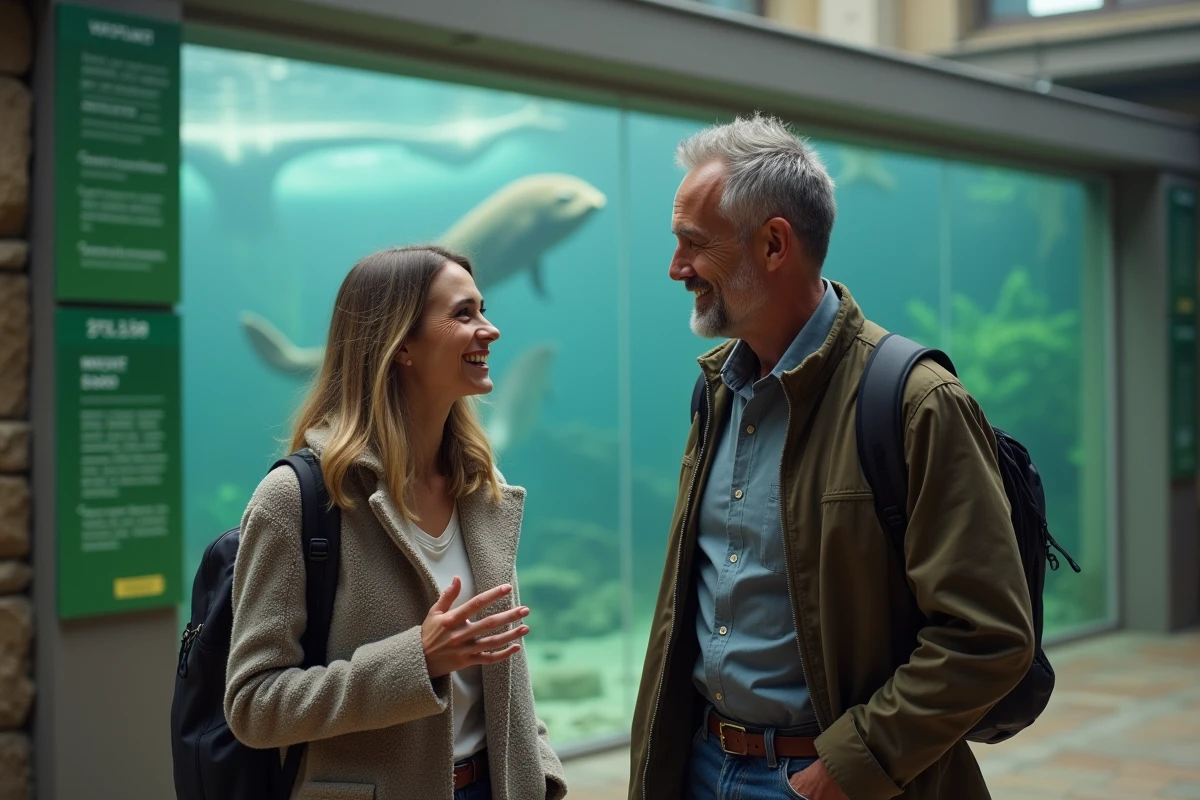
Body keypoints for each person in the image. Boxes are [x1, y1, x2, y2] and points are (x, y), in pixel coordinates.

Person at [629, 114, 1035, 800]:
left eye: (692, 244)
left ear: (774, 243)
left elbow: (988, 635)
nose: (676, 269)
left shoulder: (915, 402)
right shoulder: (715, 393)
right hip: (700, 766)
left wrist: (849, 767)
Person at [224, 245, 567, 800]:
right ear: (400, 343)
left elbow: (504, 674)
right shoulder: (295, 498)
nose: (491, 330)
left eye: (483, 308)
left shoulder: (483, 486)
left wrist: (541, 775)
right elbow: (253, 705)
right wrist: (417, 661)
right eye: (464, 314)